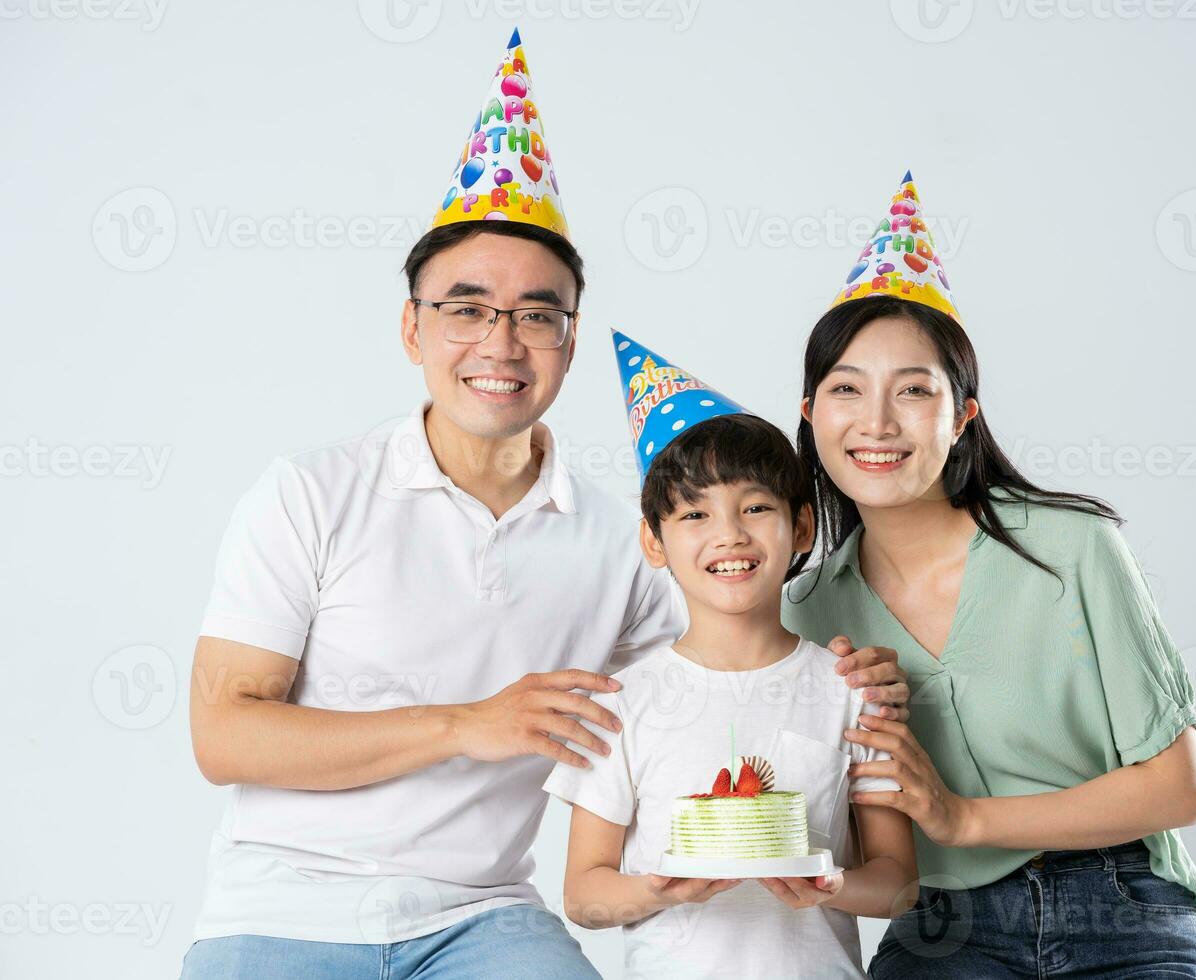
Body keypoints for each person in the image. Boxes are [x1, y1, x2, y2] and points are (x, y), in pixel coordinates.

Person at [178, 33, 909, 979]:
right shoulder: (309, 494)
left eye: (537, 314)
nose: (502, 342)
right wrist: (463, 723)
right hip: (282, 907)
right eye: (467, 307)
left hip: (485, 919)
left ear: (569, 337)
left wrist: (856, 670)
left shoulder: (622, 545)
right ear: (412, 326)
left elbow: (724, 670)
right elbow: (222, 733)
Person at [782, 172, 1196, 978]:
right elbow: (828, 825)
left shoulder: (1072, 549)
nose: (876, 422)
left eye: (914, 390)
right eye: (847, 390)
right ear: (811, 416)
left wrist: (960, 815)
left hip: (1116, 903)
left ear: (963, 417)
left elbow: (1178, 789)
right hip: (943, 925)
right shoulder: (808, 609)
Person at [542, 333, 919, 979]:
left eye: (756, 507)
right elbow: (584, 896)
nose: (730, 534)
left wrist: (829, 883)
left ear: (801, 528)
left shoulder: (851, 690)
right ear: (653, 542)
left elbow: (898, 884)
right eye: (694, 515)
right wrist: (659, 889)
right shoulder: (620, 704)